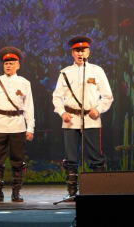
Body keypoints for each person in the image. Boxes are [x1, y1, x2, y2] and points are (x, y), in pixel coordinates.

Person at [52, 36, 114, 200]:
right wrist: (61, 112)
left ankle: (98, 190)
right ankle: (72, 192)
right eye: (77, 50)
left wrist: (99, 109)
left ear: (89, 51)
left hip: (91, 118)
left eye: (83, 50)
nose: (80, 53)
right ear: (72, 53)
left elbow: (108, 96)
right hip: (71, 119)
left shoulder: (97, 70)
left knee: (95, 156)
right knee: (71, 157)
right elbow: (57, 97)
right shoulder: (65, 72)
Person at [0, 47, 35, 203]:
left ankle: (16, 193)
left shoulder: (24, 83)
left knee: (17, 160)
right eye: (6, 63)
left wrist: (30, 127)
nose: (8, 65)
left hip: (18, 125)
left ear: (18, 65)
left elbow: (29, 106)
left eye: (12, 62)